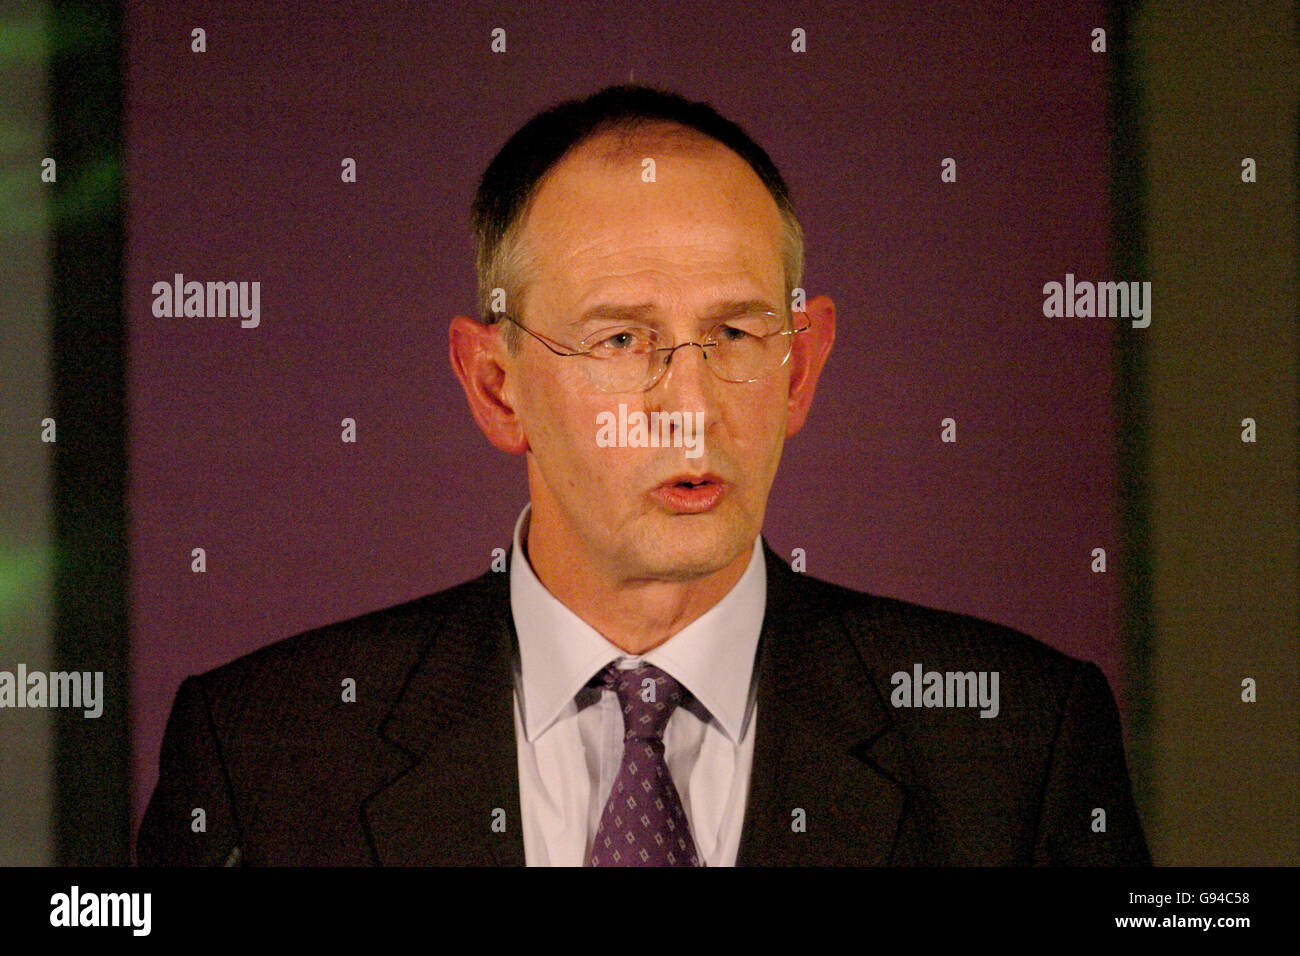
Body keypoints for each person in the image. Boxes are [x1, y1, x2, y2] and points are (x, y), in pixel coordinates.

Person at [138, 84, 1150, 866]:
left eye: (736, 330)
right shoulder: (266, 750)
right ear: (497, 386)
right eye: (622, 338)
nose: (692, 404)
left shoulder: (1015, 740)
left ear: (799, 367)